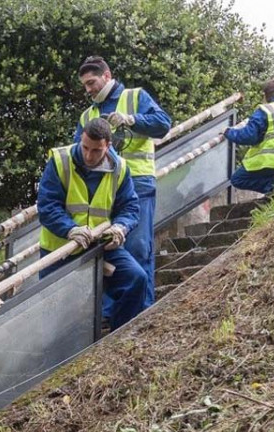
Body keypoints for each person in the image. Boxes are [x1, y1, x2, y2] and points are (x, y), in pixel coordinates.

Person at [74, 56, 171, 309]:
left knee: (138, 247)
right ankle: (112, 312)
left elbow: (163, 124)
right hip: (103, 189)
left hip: (138, 183)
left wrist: (131, 120)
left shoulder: (136, 96)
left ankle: (142, 311)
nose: (89, 89)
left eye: (92, 82)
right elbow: (77, 152)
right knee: (108, 249)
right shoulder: (88, 114)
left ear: (107, 76)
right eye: (85, 85)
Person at [39, 118, 147, 330]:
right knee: (56, 314)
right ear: (81, 139)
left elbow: (130, 207)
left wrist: (120, 227)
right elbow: (47, 205)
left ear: (108, 146)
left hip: (101, 247)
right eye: (85, 147)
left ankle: (117, 339)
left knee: (136, 279)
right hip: (61, 249)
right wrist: (69, 229)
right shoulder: (60, 160)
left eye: (96, 150)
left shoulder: (121, 168)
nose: (89, 155)